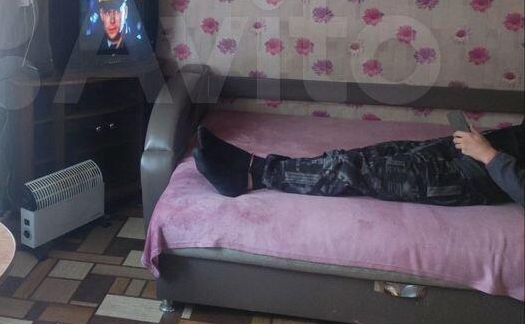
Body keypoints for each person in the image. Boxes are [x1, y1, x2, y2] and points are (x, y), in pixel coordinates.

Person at [194, 119, 524, 207]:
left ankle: (254, 173)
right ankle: (261, 167)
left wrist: (487, 155)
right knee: (364, 157)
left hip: (473, 176)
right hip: (474, 150)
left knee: (353, 171)